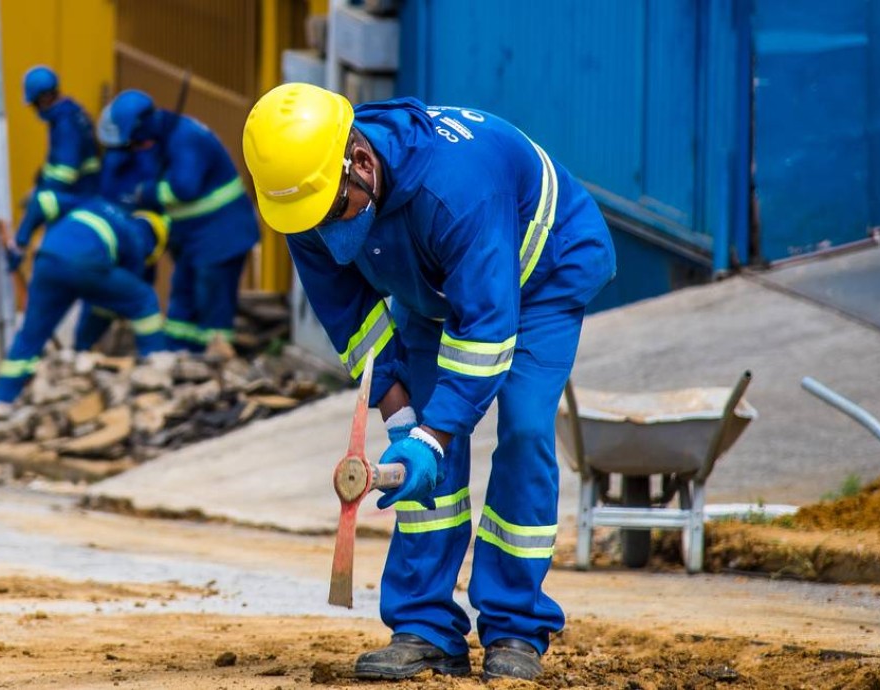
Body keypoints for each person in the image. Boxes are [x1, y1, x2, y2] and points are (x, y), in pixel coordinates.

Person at [241, 83, 616, 682]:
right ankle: (424, 627)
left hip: (541, 269)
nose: (322, 230)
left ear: (360, 163)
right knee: (423, 437)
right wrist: (405, 423)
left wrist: (435, 436)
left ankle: (516, 627)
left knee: (521, 428)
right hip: (432, 277)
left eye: (333, 212)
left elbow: (487, 332)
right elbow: (354, 321)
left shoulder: (456, 187)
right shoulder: (308, 194)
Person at [0, 190, 169, 423]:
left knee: (31, 335)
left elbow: (42, 201)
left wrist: (20, 244)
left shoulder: (93, 202)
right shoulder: (136, 241)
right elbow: (111, 302)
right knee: (145, 300)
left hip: (48, 258)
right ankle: (158, 368)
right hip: (86, 265)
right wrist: (85, 344)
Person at [98, 90, 259, 352]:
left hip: (221, 237)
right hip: (195, 239)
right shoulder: (163, 137)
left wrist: (146, 193)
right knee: (182, 299)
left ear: (141, 128)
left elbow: (185, 188)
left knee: (212, 304)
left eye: (134, 143)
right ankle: (175, 355)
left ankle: (214, 365)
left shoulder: (186, 138)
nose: (134, 150)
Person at [23, 66, 100, 196]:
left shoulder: (65, 124)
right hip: (85, 189)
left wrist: (39, 194)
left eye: (35, 104)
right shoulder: (72, 113)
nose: (35, 109)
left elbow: (65, 173)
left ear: (44, 99)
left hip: (77, 194)